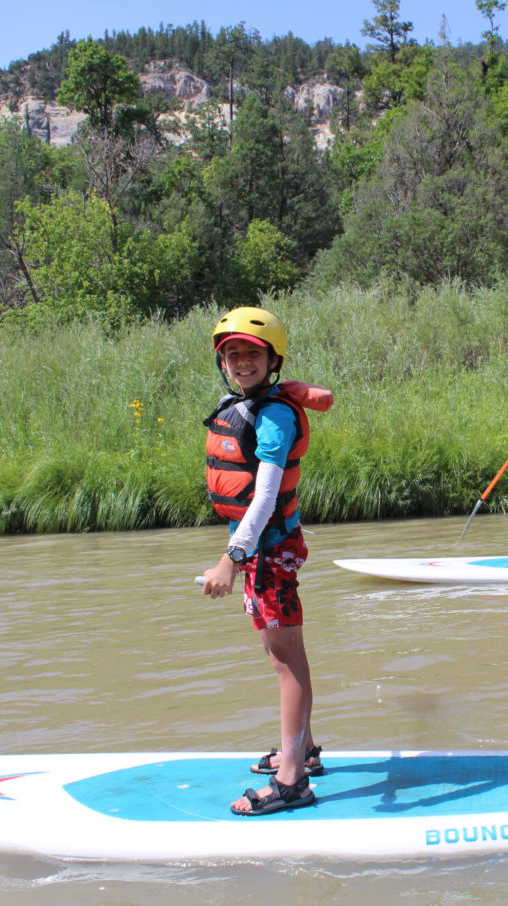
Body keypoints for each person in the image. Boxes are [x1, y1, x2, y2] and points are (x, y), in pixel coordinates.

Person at [200, 305, 332, 816]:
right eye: (231, 354)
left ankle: (293, 780)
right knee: (281, 654)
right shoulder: (241, 405)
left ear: (273, 359)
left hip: (268, 550)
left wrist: (231, 559)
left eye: (251, 353)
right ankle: (305, 750)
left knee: (286, 660)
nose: (241, 362)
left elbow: (265, 497)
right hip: (260, 548)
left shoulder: (274, 416)